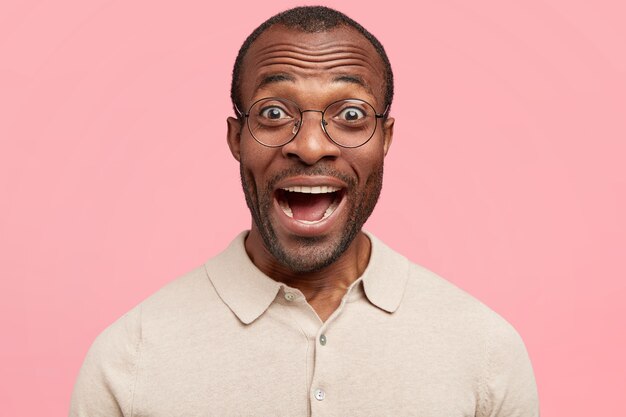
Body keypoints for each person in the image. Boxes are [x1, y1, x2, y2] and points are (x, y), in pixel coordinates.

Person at [70, 6, 539, 416]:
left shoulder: (485, 351)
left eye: (350, 115)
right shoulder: (127, 360)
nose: (311, 147)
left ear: (386, 140)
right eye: (274, 113)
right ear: (236, 139)